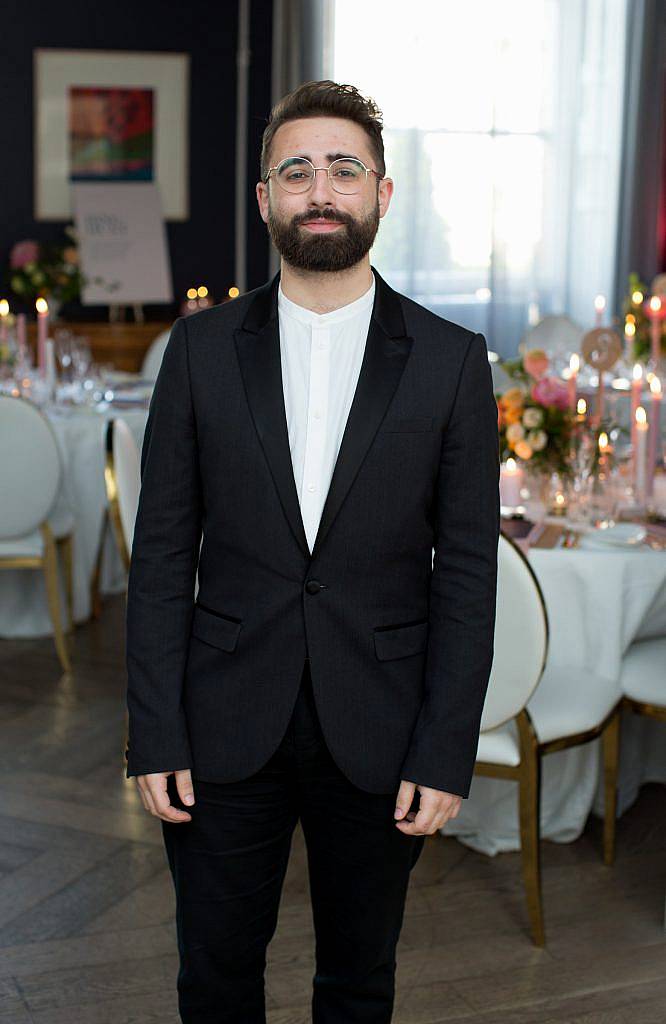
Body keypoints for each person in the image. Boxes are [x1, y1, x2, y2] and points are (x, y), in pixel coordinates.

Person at [125, 79, 500, 1024]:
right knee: (212, 977)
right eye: (296, 172)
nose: (319, 189)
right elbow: (163, 554)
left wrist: (447, 746)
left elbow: (465, 570)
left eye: (343, 169)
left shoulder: (454, 360)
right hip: (220, 724)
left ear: (382, 191)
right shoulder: (200, 351)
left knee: (360, 981)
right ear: (265, 199)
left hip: (383, 725)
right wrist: (155, 732)